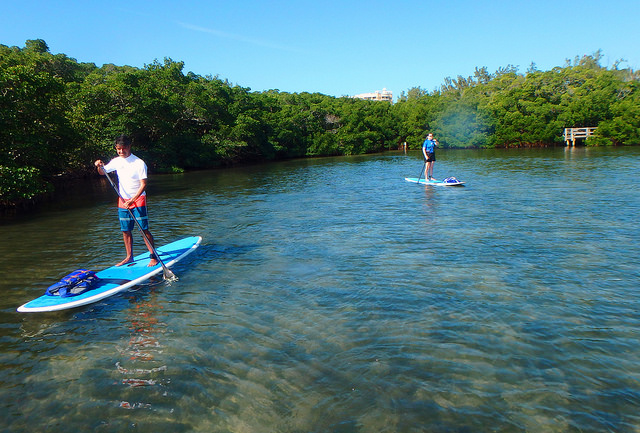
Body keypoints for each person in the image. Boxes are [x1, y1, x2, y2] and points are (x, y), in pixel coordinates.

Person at [94, 135, 158, 267]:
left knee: (143, 229)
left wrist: (133, 199)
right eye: (118, 149)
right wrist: (99, 166)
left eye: (123, 148)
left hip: (138, 199)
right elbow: (102, 172)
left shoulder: (139, 163)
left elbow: (143, 185)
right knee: (125, 230)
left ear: (129, 147)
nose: (121, 151)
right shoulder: (116, 161)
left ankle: (153, 256)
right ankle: (129, 257)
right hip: (123, 199)